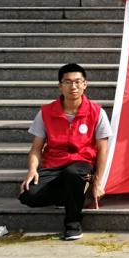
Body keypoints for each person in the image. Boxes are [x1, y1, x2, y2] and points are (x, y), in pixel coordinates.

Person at [19, 63, 112, 240]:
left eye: (78, 81)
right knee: (28, 196)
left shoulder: (97, 112)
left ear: (85, 84)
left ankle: (73, 224)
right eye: (68, 82)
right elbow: (36, 148)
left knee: (73, 173)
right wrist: (32, 170)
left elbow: (102, 150)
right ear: (60, 86)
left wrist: (98, 183)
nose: (73, 86)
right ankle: (74, 194)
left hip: (82, 165)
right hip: (54, 164)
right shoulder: (46, 112)